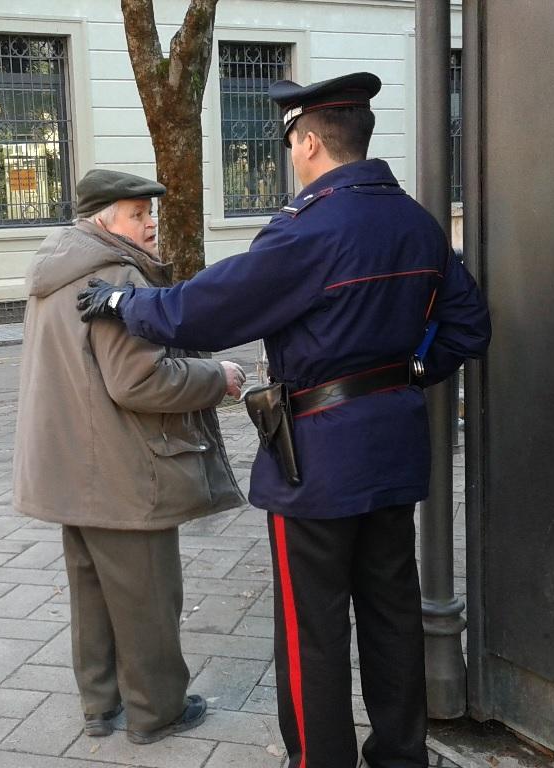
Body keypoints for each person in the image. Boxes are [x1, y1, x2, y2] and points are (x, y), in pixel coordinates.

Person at [77, 73, 491, 768]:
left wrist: (123, 306)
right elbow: (468, 326)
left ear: (307, 142)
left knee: (313, 629)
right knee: (392, 610)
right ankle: (400, 755)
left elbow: (204, 309)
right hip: (394, 448)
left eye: (291, 144)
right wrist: (409, 374)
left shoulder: (310, 229)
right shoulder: (416, 223)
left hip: (319, 459)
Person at [13, 168, 249, 745]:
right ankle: (157, 711)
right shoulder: (116, 275)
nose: (149, 225)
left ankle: (100, 706)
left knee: (92, 593)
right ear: (103, 221)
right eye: (136, 214)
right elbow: (138, 381)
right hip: (121, 466)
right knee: (147, 596)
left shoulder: (57, 267)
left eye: (150, 214)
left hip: (71, 466)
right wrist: (217, 376)